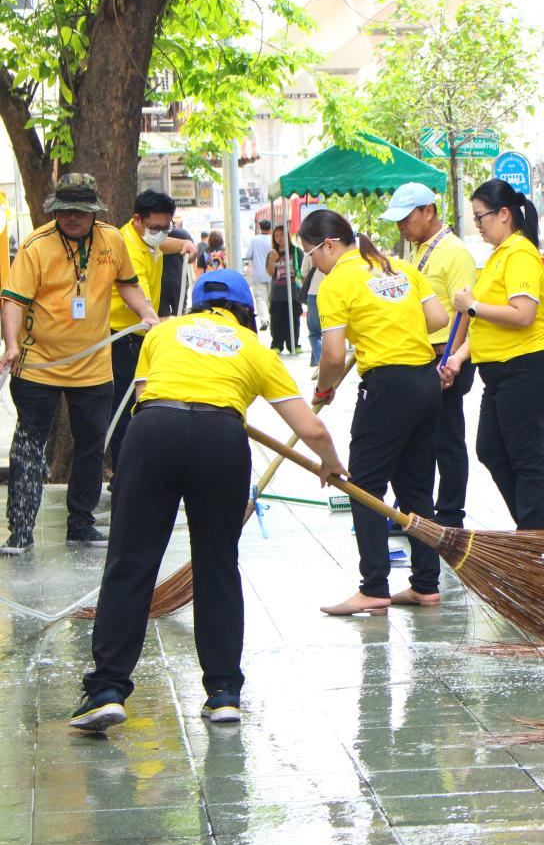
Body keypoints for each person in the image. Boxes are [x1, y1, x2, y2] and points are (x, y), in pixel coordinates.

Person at [69, 270, 346, 731]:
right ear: (244, 312)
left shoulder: (164, 332)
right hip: (221, 437)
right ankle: (223, 694)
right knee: (217, 564)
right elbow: (312, 429)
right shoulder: (254, 349)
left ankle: (106, 690)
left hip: (155, 429)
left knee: (131, 561)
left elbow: (143, 395)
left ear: (196, 305)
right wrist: (330, 464)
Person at [299, 209, 449, 616]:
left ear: (329, 245)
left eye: (310, 254)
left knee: (364, 487)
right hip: (425, 383)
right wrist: (394, 321)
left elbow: (331, 355)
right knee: (416, 487)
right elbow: (438, 318)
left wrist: (324, 388)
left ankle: (374, 588)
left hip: (387, 390)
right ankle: (425, 585)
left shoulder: (337, 283)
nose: (312, 264)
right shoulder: (397, 267)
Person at [0, 174, 158, 555]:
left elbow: (128, 284)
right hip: (38, 364)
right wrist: (10, 345)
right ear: (56, 211)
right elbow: (13, 301)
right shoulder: (36, 246)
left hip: (93, 365)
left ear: (93, 212)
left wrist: (148, 313)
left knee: (91, 444)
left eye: (80, 211)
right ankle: (20, 530)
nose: (72, 217)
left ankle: (81, 524)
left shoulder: (112, 240)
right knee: (29, 444)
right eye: (65, 210)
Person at [447, 179, 544, 532]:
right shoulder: (500, 255)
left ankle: (535, 531)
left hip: (525, 366)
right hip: (498, 370)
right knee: (490, 448)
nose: (477, 225)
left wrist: (473, 306)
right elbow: (487, 324)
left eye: (481, 217)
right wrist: (459, 357)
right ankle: (536, 526)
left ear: (504, 214)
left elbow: (523, 314)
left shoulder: (521, 254)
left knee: (524, 456)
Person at [380, 183, 477, 547]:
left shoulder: (455, 252)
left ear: (428, 212)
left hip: (446, 356)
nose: (401, 227)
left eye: (406, 218)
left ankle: (450, 515)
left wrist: (451, 356)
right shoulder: (416, 250)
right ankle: (415, 510)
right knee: (418, 437)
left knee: (446, 437)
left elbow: (464, 309)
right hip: (421, 355)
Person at [107, 190, 197, 472]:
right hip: (123, 335)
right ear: (137, 220)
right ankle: (124, 473)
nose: (160, 233)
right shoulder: (129, 249)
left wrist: (183, 244)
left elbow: (160, 244)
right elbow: (142, 302)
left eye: (165, 227)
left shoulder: (147, 239)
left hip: (141, 334)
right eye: (155, 228)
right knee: (124, 408)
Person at [267, 224, 302, 353]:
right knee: (277, 320)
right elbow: (270, 273)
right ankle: (277, 344)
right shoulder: (273, 253)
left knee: (293, 320)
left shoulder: (296, 252)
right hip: (277, 293)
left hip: (293, 293)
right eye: (276, 236)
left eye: (281, 235)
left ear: (287, 236)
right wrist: (272, 260)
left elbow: (302, 271)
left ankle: (294, 344)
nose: (279, 238)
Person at [157, 218, 195, 317]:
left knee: (162, 317)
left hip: (160, 282)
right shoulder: (183, 234)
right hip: (179, 281)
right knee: (180, 315)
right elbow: (192, 258)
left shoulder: (154, 235)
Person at [298, 249, 325, 368]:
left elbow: (304, 274)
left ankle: (321, 362)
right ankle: (316, 361)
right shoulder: (333, 249)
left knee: (314, 332)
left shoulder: (310, 252)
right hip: (330, 293)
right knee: (327, 330)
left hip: (313, 293)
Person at [246, 219, 273, 329]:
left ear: (259, 227)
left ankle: (264, 320)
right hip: (272, 273)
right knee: (271, 298)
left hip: (258, 273)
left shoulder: (254, 240)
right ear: (270, 228)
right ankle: (272, 319)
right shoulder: (272, 239)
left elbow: (248, 255)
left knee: (260, 298)